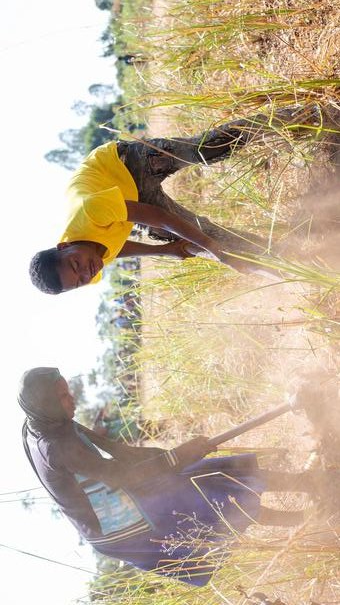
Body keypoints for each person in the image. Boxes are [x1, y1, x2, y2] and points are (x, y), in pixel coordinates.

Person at [18, 367, 335, 586]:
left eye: (66, 390)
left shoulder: (48, 420)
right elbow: (121, 477)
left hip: (113, 493)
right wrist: (177, 457)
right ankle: (312, 519)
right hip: (116, 526)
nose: (70, 398)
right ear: (46, 404)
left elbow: (114, 450)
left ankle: (314, 483)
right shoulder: (55, 447)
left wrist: (168, 457)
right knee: (212, 500)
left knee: (212, 472)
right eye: (62, 396)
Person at [29, 106, 319, 295]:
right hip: (129, 208)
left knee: (208, 149)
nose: (87, 271)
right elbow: (112, 251)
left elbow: (160, 217)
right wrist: (167, 251)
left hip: (128, 165)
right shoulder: (89, 265)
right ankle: (294, 265)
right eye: (79, 281)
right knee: (200, 244)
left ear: (64, 246)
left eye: (76, 264)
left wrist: (215, 250)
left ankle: (304, 116)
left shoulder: (90, 211)